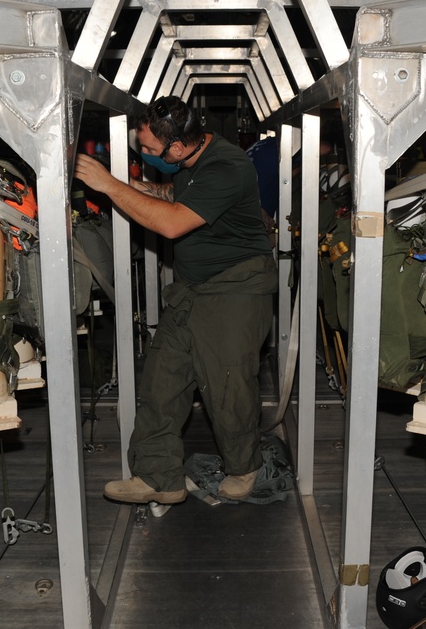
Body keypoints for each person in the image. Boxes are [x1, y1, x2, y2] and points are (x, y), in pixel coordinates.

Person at [73, 96, 277, 504]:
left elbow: (171, 224)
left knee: (227, 388)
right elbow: (173, 196)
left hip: (235, 289)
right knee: (162, 381)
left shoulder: (228, 165)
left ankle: (244, 466)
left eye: (149, 149)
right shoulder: (193, 161)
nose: (145, 154)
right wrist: (132, 186)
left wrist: (108, 185)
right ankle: (157, 477)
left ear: (178, 147)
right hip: (191, 289)